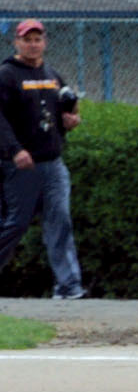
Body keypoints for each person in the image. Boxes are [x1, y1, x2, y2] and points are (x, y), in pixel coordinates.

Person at [0, 18, 86, 299]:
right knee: (17, 223)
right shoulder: (8, 74)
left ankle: (68, 285)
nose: (33, 44)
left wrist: (70, 120)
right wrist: (15, 150)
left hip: (53, 161)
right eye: (27, 39)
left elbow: (63, 111)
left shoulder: (52, 75)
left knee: (59, 218)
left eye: (38, 39)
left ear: (45, 43)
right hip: (22, 164)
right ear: (17, 42)